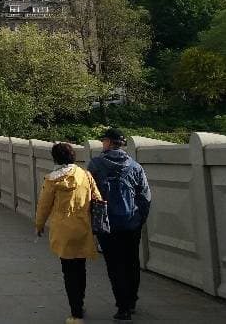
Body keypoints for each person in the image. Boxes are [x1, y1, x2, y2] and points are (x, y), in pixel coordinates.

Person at [88, 128, 151, 321]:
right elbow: (145, 198)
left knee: (114, 265)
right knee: (131, 262)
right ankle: (131, 301)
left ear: (108, 142)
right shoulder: (135, 166)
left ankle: (122, 306)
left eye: (104, 140)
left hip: (107, 225)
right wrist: (139, 220)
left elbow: (87, 194)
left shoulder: (95, 165)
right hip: (131, 223)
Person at [35, 143, 101, 324]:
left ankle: (75, 312)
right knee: (81, 268)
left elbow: (44, 206)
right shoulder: (85, 175)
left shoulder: (52, 180)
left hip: (63, 231)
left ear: (55, 158)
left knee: (69, 271)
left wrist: (39, 225)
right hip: (83, 228)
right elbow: (98, 199)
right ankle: (80, 304)